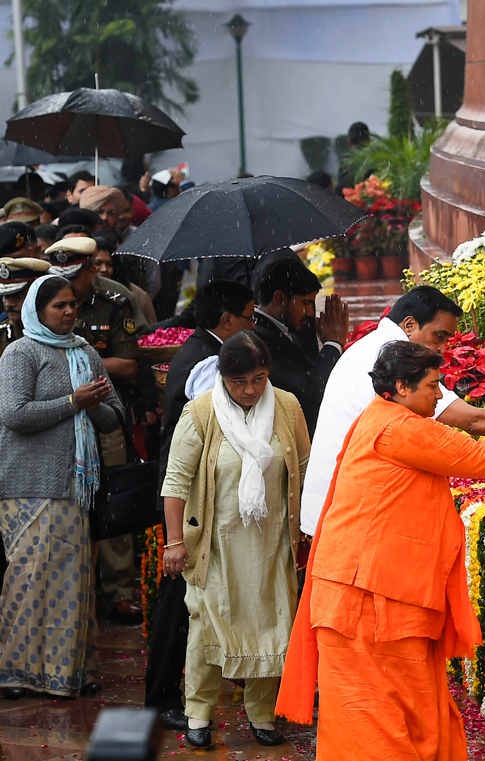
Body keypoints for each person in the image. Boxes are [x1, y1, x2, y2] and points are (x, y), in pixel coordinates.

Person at [277, 341, 485, 758]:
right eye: (433, 385)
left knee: (413, 711)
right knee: (372, 722)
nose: (438, 394)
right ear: (401, 387)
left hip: (378, 594)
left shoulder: (385, 416)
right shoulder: (399, 427)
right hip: (360, 599)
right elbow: (475, 454)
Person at [298, 286, 485, 537]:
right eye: (439, 336)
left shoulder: (379, 349)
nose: (442, 348)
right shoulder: (392, 359)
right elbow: (475, 424)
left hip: (340, 510)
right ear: (410, 326)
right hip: (346, 518)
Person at [161, 331, 309, 748]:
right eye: (239, 382)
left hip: (272, 543)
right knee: (207, 630)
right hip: (216, 547)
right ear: (222, 377)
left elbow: (303, 465)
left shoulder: (286, 407)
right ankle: (198, 717)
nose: (249, 391)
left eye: (258, 379)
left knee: (273, 628)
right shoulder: (201, 412)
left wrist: (307, 532)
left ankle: (262, 716)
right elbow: (175, 482)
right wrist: (175, 543)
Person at [0, 274, 124, 699]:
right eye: (59, 306)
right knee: (29, 579)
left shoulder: (84, 351)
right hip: (28, 484)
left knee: (72, 581)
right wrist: (74, 402)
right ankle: (18, 673)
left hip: (75, 485)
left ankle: (68, 672)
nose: (70, 311)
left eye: (72, 304)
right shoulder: (21, 352)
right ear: (38, 310)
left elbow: (113, 413)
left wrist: (94, 407)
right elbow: (14, 413)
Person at [143, 280, 255, 731]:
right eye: (248, 315)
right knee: (178, 602)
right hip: (189, 501)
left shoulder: (202, 348)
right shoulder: (209, 362)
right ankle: (162, 697)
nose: (252, 323)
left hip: (190, 497)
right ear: (226, 320)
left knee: (189, 599)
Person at [47, 236, 144, 622]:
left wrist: (83, 361)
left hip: (105, 413)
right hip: (61, 419)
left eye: (78, 274)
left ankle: (119, 590)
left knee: (113, 496)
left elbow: (129, 364)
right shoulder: (46, 298)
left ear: (91, 268)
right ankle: (78, 589)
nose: (69, 303)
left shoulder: (114, 300)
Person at [253, 258, 348, 434]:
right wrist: (333, 343)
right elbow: (309, 393)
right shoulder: (261, 340)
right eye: (305, 303)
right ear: (280, 298)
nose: (311, 313)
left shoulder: (276, 331)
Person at [92, 232, 156, 325]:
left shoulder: (136, 295)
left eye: (109, 265)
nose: (104, 269)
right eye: (98, 263)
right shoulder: (76, 295)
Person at [0, 257, 50, 356]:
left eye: (18, 296)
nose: (9, 304)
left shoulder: (61, 327)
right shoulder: (2, 332)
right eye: (5, 296)